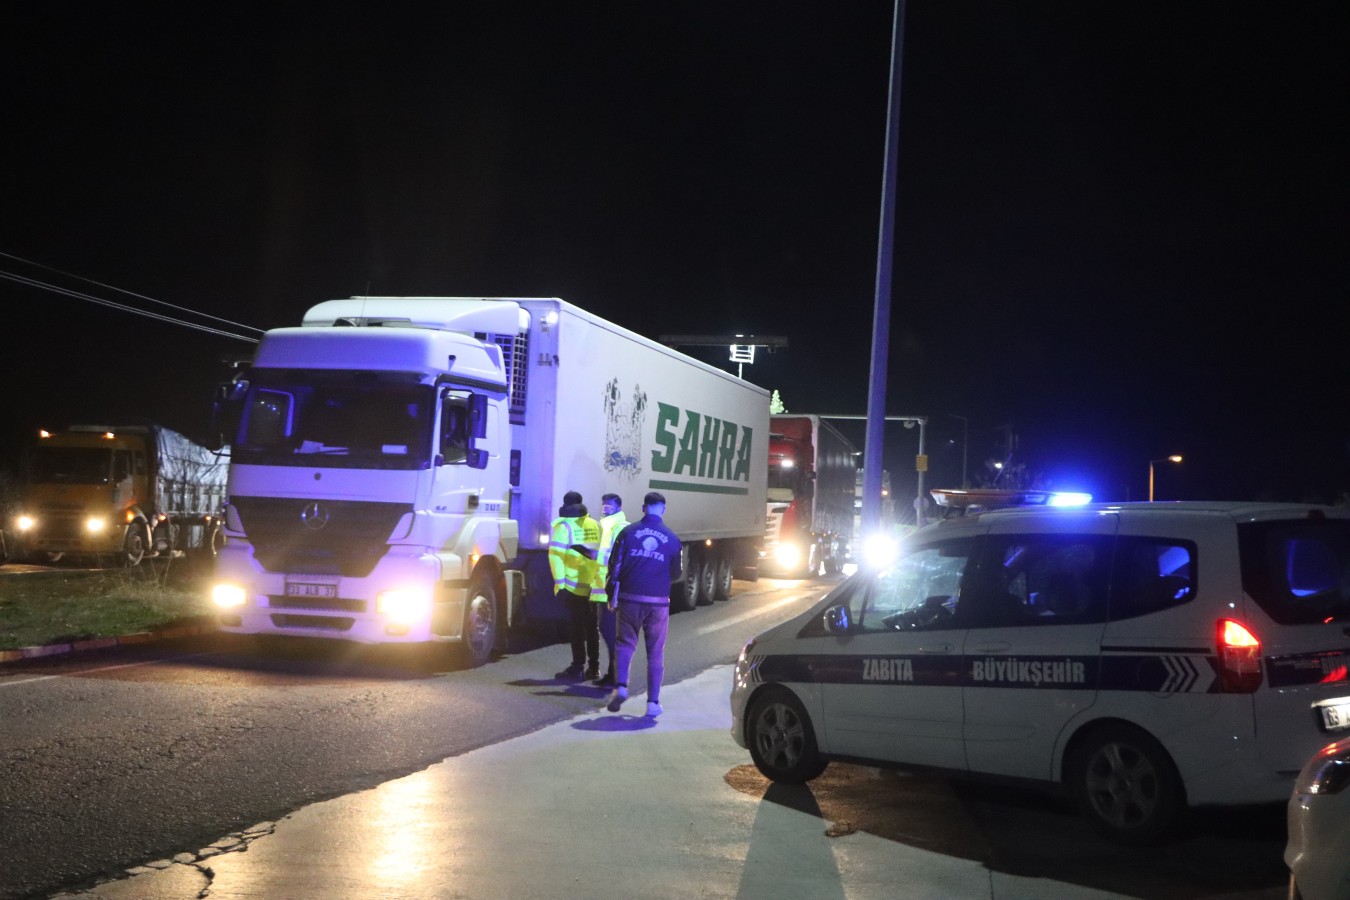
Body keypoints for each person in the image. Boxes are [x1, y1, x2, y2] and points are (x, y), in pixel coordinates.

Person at [605, 491, 682, 717]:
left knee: (625, 644)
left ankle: (621, 686)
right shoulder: (672, 539)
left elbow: (614, 566)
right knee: (655, 653)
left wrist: (611, 595)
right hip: (658, 602)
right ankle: (653, 703)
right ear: (663, 510)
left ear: (643, 508)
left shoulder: (627, 533)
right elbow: (676, 573)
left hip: (629, 598)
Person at [548, 490, 602, 680]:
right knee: (592, 628)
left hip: (573, 586)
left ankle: (577, 666)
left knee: (576, 628)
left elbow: (556, 557)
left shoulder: (564, 527)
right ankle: (594, 668)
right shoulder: (595, 525)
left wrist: (560, 584)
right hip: (593, 585)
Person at [589, 492, 628, 687]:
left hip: (612, 590)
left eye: (609, 505)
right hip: (604, 588)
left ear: (619, 507)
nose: (605, 508)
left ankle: (616, 676)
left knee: (611, 632)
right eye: (604, 505)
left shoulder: (619, 527)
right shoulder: (606, 526)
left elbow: (616, 559)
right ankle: (614, 675)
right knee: (608, 631)